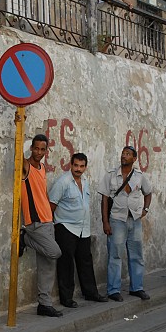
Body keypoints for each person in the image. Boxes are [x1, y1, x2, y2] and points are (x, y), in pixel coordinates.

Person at [49, 153, 108, 307]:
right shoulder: (63, 182)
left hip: (83, 228)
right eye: (76, 165)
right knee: (66, 263)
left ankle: (91, 293)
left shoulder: (85, 181)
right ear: (71, 164)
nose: (78, 169)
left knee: (86, 260)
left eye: (82, 166)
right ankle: (66, 298)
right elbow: (51, 205)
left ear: (85, 167)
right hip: (66, 227)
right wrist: (52, 227)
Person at [98, 146, 152, 302]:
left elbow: (148, 193)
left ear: (134, 159)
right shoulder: (111, 175)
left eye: (128, 154)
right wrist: (105, 222)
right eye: (123, 153)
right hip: (116, 220)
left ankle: (137, 288)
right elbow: (104, 200)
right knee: (115, 255)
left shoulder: (140, 176)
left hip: (134, 220)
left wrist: (145, 210)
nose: (124, 156)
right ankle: (113, 290)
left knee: (136, 255)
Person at [21, 134, 63, 317]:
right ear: (31, 148)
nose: (38, 152)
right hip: (35, 223)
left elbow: (42, 193)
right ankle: (25, 238)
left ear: (46, 150)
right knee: (55, 252)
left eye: (42, 149)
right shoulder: (26, 167)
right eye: (35, 148)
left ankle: (44, 304)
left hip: (47, 220)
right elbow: (17, 155)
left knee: (47, 265)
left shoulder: (43, 167)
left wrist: (51, 216)